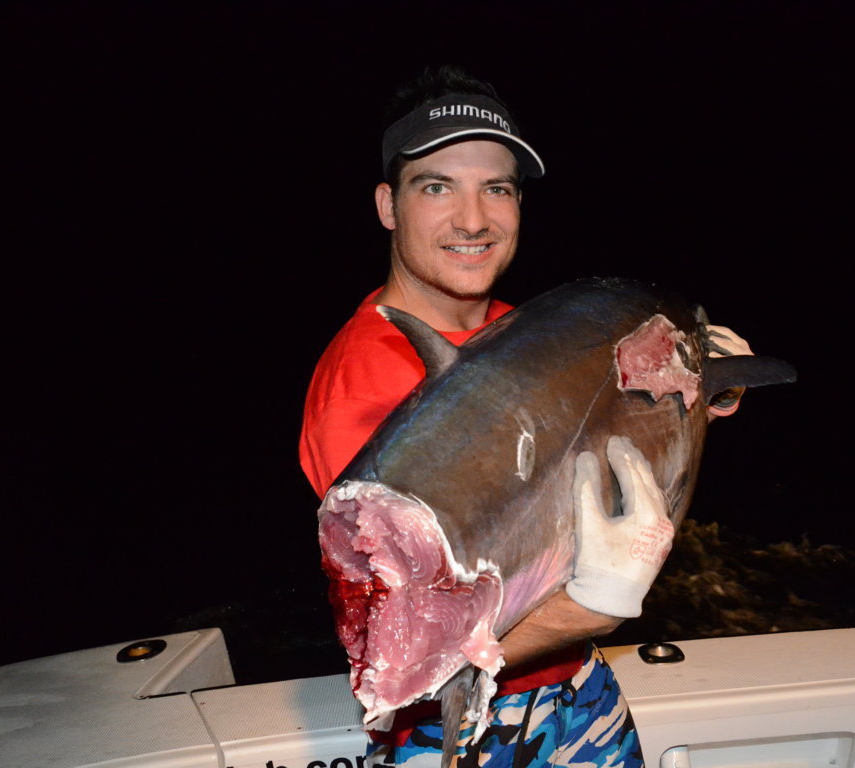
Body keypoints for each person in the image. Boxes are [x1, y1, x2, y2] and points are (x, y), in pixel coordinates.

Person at [299, 65, 752, 768]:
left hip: (576, 685)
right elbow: (406, 653)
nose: (473, 219)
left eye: (497, 188)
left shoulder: (517, 333)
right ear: (388, 205)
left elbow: (586, 443)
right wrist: (592, 605)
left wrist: (699, 392)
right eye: (437, 187)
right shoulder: (362, 387)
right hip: (456, 724)